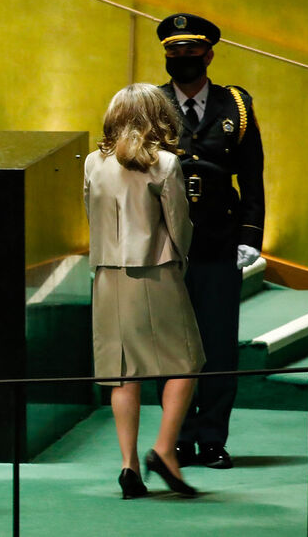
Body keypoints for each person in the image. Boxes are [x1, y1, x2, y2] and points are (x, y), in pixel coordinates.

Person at [84, 83, 205, 498]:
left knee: (123, 372)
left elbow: (90, 215)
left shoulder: (91, 163)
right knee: (186, 361)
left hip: (106, 275)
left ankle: (128, 465)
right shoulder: (167, 164)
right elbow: (179, 226)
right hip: (157, 270)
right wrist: (181, 263)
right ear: (159, 115)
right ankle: (163, 450)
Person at [157, 13, 265, 470]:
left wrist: (251, 235)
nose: (183, 59)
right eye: (174, 52)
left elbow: (252, 175)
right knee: (172, 345)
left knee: (219, 344)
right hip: (166, 243)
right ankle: (178, 438)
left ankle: (213, 438)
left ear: (209, 54)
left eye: (191, 50)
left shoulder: (233, 107)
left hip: (219, 242)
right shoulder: (152, 105)